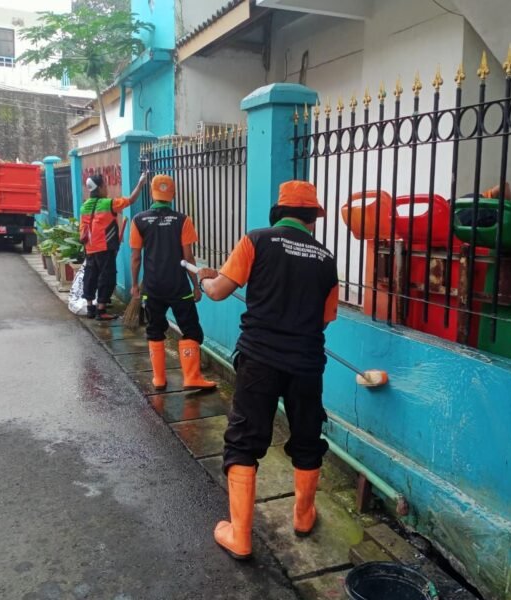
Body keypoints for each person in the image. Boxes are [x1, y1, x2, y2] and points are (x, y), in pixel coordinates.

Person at [195, 180, 339, 560]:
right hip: (307, 365)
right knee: (307, 439)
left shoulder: (256, 240)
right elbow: (324, 321)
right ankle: (304, 516)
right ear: (313, 218)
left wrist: (205, 277)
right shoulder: (326, 259)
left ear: (279, 212)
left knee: (245, 441)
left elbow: (218, 292)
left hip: (260, 360)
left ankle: (240, 536)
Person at [130, 174, 216, 392]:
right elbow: (188, 257)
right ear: (173, 195)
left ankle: (159, 379)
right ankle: (191, 377)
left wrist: (135, 285)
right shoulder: (183, 220)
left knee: (155, 329)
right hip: (178, 287)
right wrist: (196, 285)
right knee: (191, 331)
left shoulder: (139, 220)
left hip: (152, 287)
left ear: (152, 193)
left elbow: (136, 257)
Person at [79, 172, 147, 321]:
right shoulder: (109, 203)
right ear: (101, 187)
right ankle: (101, 310)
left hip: (89, 248)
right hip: (105, 248)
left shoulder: (84, 206)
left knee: (90, 276)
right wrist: (140, 184)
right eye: (105, 185)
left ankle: (90, 307)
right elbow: (131, 200)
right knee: (107, 278)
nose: (107, 188)